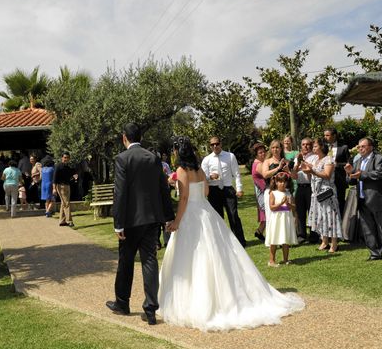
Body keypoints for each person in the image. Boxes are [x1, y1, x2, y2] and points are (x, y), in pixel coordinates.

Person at [158, 136, 304, 331]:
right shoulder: (199, 169)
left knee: (193, 256)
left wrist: (177, 221)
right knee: (214, 252)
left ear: (178, 152)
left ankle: (198, 301)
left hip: (191, 214)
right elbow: (207, 192)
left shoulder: (181, 170)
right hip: (205, 211)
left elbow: (183, 198)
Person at [106, 123, 175, 326]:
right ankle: (151, 309)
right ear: (141, 137)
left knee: (126, 261)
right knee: (149, 261)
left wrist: (118, 223)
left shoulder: (122, 159)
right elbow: (163, 188)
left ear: (124, 137)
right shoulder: (153, 158)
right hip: (152, 218)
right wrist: (167, 215)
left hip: (130, 221)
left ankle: (122, 302)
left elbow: (119, 193)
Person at [345, 138, 382, 264]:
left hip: (377, 199)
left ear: (370, 147)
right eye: (358, 147)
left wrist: (361, 174)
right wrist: (349, 173)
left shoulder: (380, 159)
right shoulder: (357, 160)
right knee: (367, 228)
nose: (360, 149)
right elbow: (352, 181)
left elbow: (379, 174)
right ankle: (375, 252)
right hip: (363, 199)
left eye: (362, 146)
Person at [201, 136, 247, 246]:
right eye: (212, 144)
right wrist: (210, 177)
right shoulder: (206, 160)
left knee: (233, 215)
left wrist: (239, 188)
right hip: (214, 190)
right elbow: (202, 177)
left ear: (221, 144)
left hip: (228, 189)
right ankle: (220, 242)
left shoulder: (230, 156)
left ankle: (239, 241)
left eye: (217, 144)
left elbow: (236, 174)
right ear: (210, 146)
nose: (215, 146)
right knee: (217, 217)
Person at [301, 138, 342, 253]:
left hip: (327, 193)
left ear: (322, 147)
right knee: (321, 217)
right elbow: (311, 174)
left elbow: (327, 175)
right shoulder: (316, 161)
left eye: (315, 146)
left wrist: (312, 171)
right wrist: (307, 170)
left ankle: (334, 243)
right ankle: (324, 241)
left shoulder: (328, 160)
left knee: (331, 217)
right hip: (316, 193)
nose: (313, 148)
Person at [257, 139, 293, 231]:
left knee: (285, 215)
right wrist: (278, 168)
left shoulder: (287, 161)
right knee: (271, 216)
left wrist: (288, 171)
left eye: (277, 147)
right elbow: (265, 174)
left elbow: (294, 176)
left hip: (285, 191)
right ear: (270, 149)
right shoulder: (267, 161)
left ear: (281, 148)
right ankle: (272, 240)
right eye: (273, 148)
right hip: (271, 191)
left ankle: (284, 238)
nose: (275, 149)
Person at [265, 173, 297, 267]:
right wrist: (281, 203)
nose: (281, 184)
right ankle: (271, 260)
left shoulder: (288, 193)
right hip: (277, 218)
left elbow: (294, 207)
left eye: (283, 181)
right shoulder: (273, 193)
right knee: (274, 239)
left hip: (286, 218)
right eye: (279, 181)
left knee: (285, 238)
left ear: (287, 182)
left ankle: (286, 259)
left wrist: (288, 204)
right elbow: (272, 207)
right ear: (275, 182)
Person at [294, 138, 318, 243]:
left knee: (312, 211)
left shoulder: (315, 157)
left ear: (311, 145)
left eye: (308, 144)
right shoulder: (297, 157)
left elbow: (313, 170)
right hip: (300, 187)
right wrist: (297, 163)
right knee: (300, 212)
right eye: (303, 144)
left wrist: (303, 162)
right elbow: (294, 175)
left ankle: (314, 235)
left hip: (310, 187)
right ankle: (301, 235)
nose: (305, 146)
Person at [324, 128, 350, 215]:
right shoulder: (323, 147)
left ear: (334, 136)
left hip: (339, 180)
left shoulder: (343, 147)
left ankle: (342, 222)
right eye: (324, 135)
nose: (325, 137)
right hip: (326, 180)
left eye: (327, 135)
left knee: (340, 202)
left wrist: (337, 164)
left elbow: (349, 163)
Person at [53, 152, 78, 227]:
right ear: (62, 158)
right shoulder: (58, 166)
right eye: (65, 157)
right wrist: (54, 189)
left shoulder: (68, 167)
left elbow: (73, 174)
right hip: (61, 186)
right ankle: (69, 221)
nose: (66, 159)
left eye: (67, 157)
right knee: (67, 203)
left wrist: (75, 176)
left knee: (63, 203)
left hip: (67, 186)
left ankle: (62, 221)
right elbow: (54, 178)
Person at [251, 143, 267, 242]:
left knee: (265, 216)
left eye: (264, 152)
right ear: (256, 154)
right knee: (268, 215)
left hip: (261, 191)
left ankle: (259, 232)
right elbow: (267, 175)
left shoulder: (256, 163)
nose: (263, 154)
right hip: (262, 192)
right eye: (260, 153)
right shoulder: (259, 164)